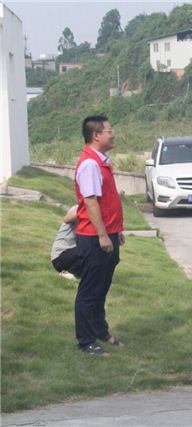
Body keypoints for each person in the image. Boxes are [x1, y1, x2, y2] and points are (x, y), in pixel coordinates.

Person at [74, 115, 125, 356]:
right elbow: (91, 201)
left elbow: (108, 202)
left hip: (108, 234)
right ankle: (86, 341)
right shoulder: (90, 165)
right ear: (96, 135)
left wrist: (117, 231)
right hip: (94, 238)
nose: (113, 134)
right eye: (109, 129)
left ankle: (99, 330)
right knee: (90, 291)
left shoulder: (101, 162)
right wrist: (104, 236)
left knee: (101, 287)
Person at [51, 204, 82, 279]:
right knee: (88, 248)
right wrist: (86, 208)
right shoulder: (77, 208)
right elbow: (67, 219)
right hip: (60, 257)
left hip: (74, 256)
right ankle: (68, 273)